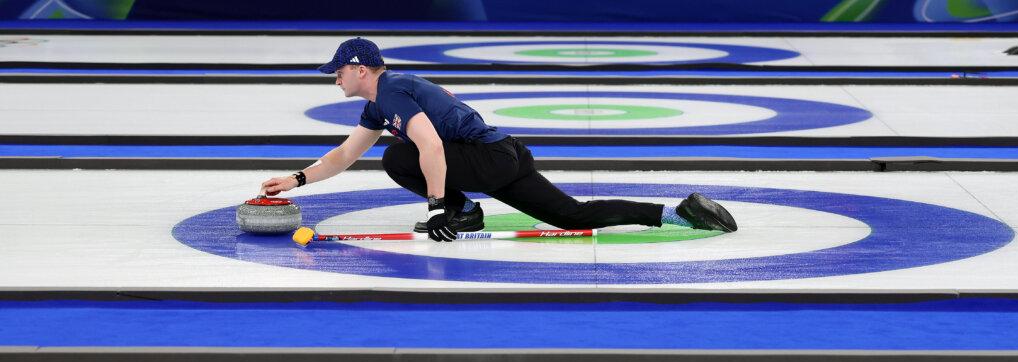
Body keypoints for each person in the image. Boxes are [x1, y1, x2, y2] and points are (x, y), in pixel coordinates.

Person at [261, 37, 737, 242]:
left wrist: (437, 209)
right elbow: (345, 154)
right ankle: (679, 213)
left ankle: (465, 211)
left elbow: (428, 147)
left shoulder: (393, 89)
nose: (335, 79)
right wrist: (297, 179)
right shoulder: (378, 102)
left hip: (490, 157)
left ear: (361, 68)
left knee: (399, 156)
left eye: (339, 71)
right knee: (570, 217)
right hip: (502, 155)